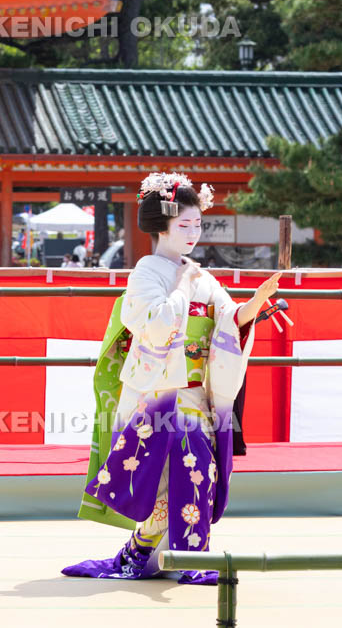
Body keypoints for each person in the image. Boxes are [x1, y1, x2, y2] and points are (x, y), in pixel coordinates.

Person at [62, 172, 281, 585]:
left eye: (198, 225)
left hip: (196, 394)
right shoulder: (146, 273)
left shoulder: (202, 276)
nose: (193, 233)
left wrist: (252, 305)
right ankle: (161, 557)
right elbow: (156, 326)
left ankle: (150, 555)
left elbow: (227, 320)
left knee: (199, 475)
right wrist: (181, 289)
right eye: (185, 225)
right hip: (159, 395)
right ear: (162, 226)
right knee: (173, 480)